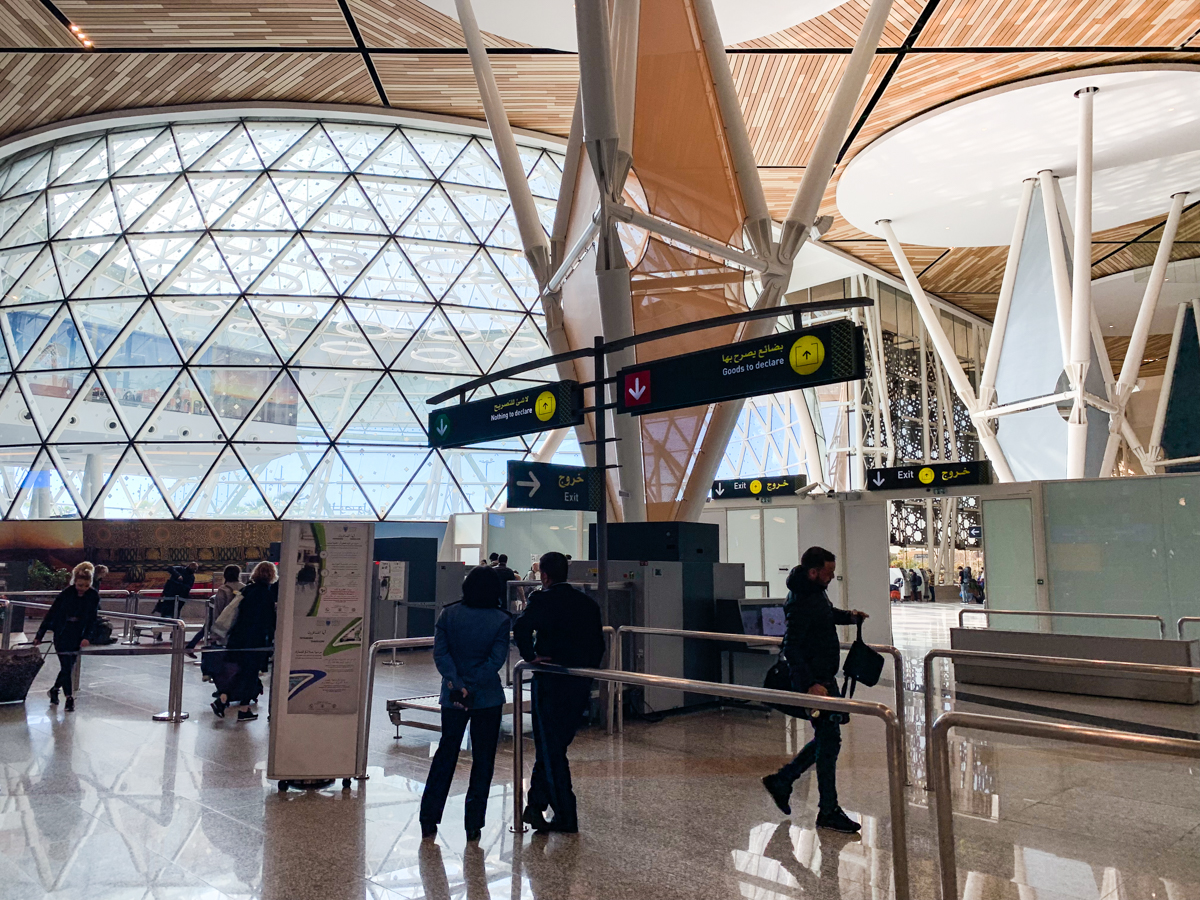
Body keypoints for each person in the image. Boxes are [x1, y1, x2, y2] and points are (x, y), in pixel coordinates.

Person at [762, 546, 868, 833]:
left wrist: (849, 616)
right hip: (816, 683)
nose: (832, 576)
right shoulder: (800, 600)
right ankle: (827, 809)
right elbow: (791, 647)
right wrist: (810, 684)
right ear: (813, 572)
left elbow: (825, 614)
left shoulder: (815, 591)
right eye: (828, 572)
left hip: (823, 678)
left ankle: (783, 780)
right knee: (829, 740)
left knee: (828, 738)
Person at [513, 551, 606, 834]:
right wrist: (587, 673)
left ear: (544, 575)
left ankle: (566, 814)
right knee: (554, 745)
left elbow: (521, 627)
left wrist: (531, 656)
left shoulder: (543, 599)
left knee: (550, 747)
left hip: (550, 680)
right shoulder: (587, 603)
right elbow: (598, 645)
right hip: (578, 682)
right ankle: (535, 805)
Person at [419, 566, 512, 843]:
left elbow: (441, 654)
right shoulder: (500, 619)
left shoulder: (449, 614)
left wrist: (457, 683)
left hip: (453, 696)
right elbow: (496, 660)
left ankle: (428, 817)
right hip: (487, 697)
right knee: (483, 759)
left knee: (446, 753)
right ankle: (473, 823)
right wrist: (473, 684)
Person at [211, 561, 276, 722]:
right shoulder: (266, 593)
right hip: (255, 640)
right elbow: (268, 620)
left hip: (238, 637)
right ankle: (243, 709)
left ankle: (223, 700)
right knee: (251, 674)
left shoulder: (247, 589)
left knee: (242, 672)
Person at [34, 562, 100, 712]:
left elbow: (92, 618)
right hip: (62, 633)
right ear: (74, 582)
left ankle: (55, 689)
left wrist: (87, 637)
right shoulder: (66, 594)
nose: (82, 589)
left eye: (86, 586)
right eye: (79, 585)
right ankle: (69, 698)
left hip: (77, 634)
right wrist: (39, 635)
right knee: (66, 665)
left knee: (68, 667)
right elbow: (51, 614)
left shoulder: (93, 596)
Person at [188, 565, 241, 656]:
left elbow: (218, 610)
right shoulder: (244, 587)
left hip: (223, 622)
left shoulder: (223, 589)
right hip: (238, 623)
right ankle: (190, 646)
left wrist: (215, 632)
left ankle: (190, 646)